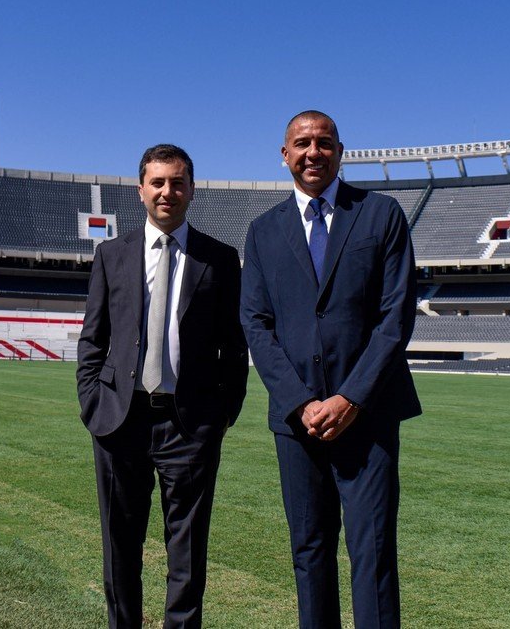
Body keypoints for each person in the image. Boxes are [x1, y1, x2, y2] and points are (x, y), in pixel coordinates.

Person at [241, 111, 421, 628]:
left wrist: (351, 398)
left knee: (373, 555)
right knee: (310, 552)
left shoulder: (380, 214)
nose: (312, 152)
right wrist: (301, 402)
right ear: (284, 154)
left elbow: (395, 317)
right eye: (302, 144)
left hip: (369, 419)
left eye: (324, 143)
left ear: (341, 151)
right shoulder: (263, 231)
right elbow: (255, 325)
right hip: (297, 424)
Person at [77, 144, 248, 629]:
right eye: (158, 182)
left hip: (189, 425)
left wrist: (221, 415)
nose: (167, 191)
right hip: (119, 420)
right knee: (120, 550)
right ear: (141, 191)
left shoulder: (219, 258)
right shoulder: (112, 254)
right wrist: (93, 403)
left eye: (177, 182)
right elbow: (94, 339)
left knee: (188, 557)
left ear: (191, 190)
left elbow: (234, 347)